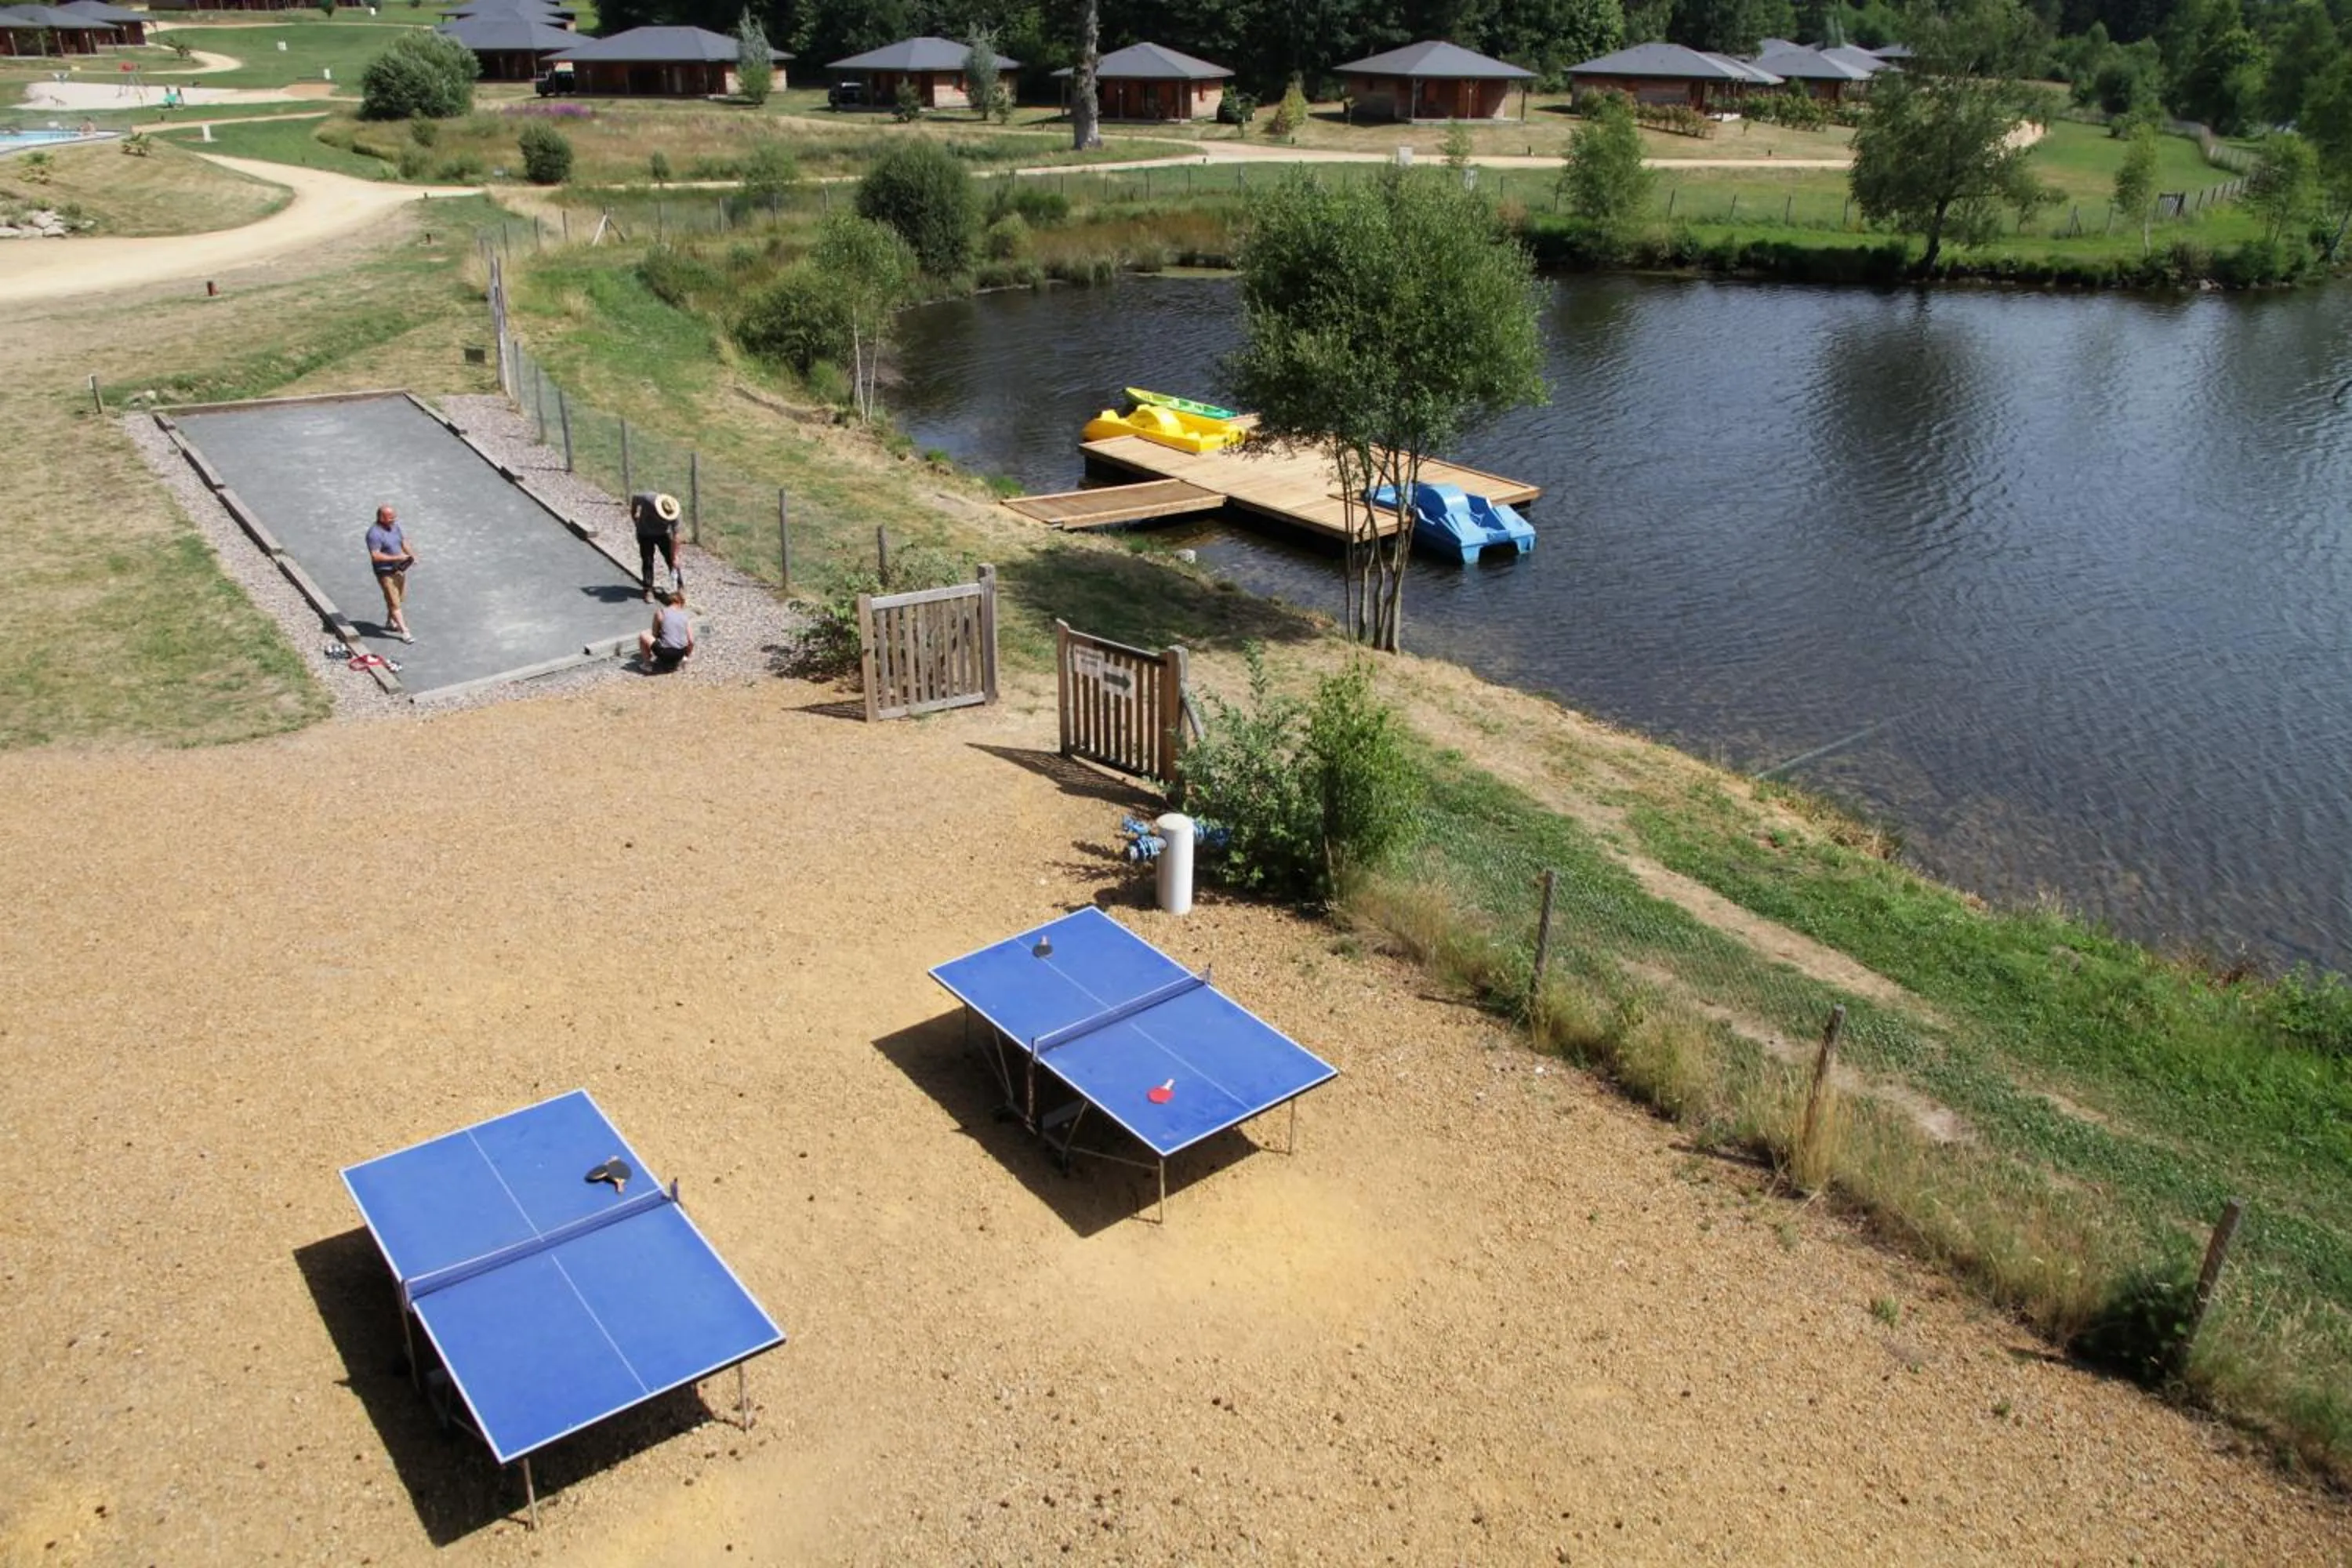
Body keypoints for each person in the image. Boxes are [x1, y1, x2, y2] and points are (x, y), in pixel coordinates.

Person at [365, 504, 415, 642]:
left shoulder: (395, 527)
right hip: (385, 572)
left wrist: (412, 555)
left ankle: (390, 621)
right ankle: (405, 631)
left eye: (394, 517)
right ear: (381, 518)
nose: (394, 519)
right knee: (394, 602)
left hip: (399, 569)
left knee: (399, 598)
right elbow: (375, 556)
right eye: (391, 517)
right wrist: (397, 557)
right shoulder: (374, 534)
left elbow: (403, 541)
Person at [630, 491, 682, 601]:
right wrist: (634, 514)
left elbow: (676, 536)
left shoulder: (675, 514)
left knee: (671, 560)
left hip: (663, 534)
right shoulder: (648, 499)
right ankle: (648, 589)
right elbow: (635, 498)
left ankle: (680, 588)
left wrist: (675, 556)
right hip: (645, 533)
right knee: (648, 560)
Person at [638, 587, 694, 673]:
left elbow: (655, 634)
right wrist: (687, 655)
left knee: (644, 634)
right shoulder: (685, 617)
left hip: (665, 653)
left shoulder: (661, 613)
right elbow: (691, 641)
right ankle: (683, 660)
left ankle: (647, 665)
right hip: (680, 653)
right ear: (681, 603)